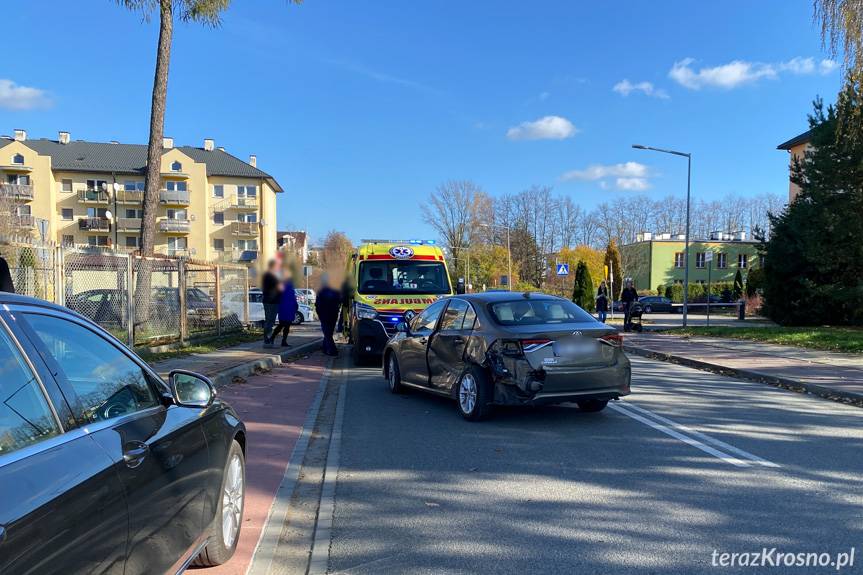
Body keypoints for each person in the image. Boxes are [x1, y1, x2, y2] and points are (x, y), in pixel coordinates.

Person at [316, 274, 342, 356]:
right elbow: (340, 300)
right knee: (329, 332)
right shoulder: (336, 289)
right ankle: (325, 348)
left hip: (324, 314)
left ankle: (332, 350)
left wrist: (319, 314)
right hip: (333, 314)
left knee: (327, 333)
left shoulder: (321, 290)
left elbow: (318, 304)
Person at [271, 276, 298, 347]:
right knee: (285, 326)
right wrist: (295, 306)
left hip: (284, 308)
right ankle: (281, 340)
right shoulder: (290, 288)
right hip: (288, 309)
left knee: (282, 324)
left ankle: (273, 338)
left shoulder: (282, 287)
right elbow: (293, 299)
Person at [262, 259, 281, 348]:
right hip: (271, 301)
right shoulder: (270, 276)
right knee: (270, 321)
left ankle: (268, 340)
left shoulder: (268, 275)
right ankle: (267, 340)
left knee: (270, 321)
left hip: (270, 300)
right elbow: (278, 288)